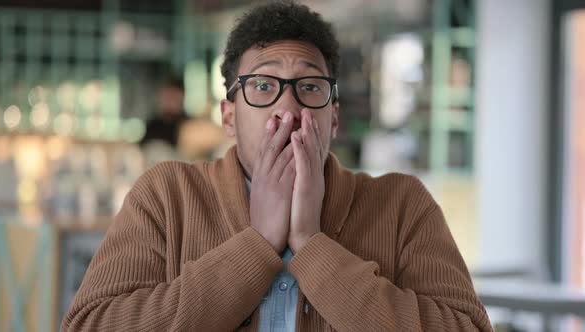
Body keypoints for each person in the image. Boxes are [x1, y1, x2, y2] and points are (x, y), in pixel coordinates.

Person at [62, 1, 492, 331]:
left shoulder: (403, 205)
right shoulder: (165, 194)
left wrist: (310, 244)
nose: (288, 107)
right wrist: (258, 244)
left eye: (309, 86)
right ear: (228, 116)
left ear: (334, 118)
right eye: (263, 86)